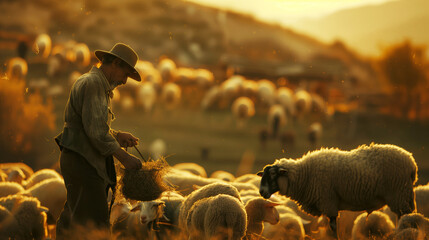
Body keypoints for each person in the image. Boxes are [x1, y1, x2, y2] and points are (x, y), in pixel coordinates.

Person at [54, 43, 143, 238]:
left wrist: (117, 136)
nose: (125, 81)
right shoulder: (94, 84)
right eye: (125, 74)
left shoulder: (96, 84)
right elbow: (95, 132)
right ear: (116, 63)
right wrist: (124, 159)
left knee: (74, 219)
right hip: (83, 162)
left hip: (79, 158)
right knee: (94, 224)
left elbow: (92, 126)